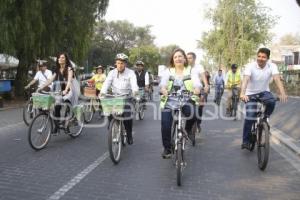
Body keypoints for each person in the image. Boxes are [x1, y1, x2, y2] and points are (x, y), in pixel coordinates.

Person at [240, 47, 287, 149]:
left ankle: (265, 118)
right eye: (259, 56)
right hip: (250, 94)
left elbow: (276, 79)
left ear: (267, 58)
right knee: (250, 116)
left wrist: (282, 93)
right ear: (257, 56)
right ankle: (246, 141)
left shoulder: (272, 66)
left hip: (264, 92)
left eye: (263, 57)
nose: (260, 58)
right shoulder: (250, 66)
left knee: (272, 102)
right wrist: (242, 93)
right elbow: (245, 80)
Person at [160, 48, 201, 159]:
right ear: (173, 60)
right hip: (170, 100)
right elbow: (163, 84)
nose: (178, 59)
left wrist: (197, 89)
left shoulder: (191, 71)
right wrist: (164, 90)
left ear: (184, 58)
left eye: (180, 56)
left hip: (186, 99)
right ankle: (167, 148)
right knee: (165, 124)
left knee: (193, 114)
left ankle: (187, 130)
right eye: (175, 57)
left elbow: (197, 83)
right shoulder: (168, 71)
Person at [100, 53, 138, 145]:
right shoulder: (111, 73)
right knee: (109, 113)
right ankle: (112, 126)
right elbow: (106, 84)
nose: (120, 65)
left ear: (125, 64)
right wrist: (102, 93)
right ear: (115, 63)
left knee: (127, 117)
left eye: (122, 63)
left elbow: (134, 85)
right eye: (118, 63)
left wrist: (135, 93)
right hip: (115, 96)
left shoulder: (131, 73)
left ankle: (129, 134)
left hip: (127, 96)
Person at [39, 52, 80, 133]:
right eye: (59, 58)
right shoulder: (57, 69)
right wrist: (41, 87)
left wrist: (66, 90)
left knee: (67, 102)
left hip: (72, 88)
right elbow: (50, 79)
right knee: (57, 106)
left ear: (66, 59)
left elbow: (69, 81)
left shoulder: (69, 68)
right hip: (63, 88)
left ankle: (70, 120)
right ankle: (57, 126)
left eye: (63, 58)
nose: (60, 59)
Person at [186, 52, 208, 131]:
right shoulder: (184, 67)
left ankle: (198, 123)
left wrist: (206, 85)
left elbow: (203, 76)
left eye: (190, 58)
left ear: (194, 59)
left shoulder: (199, 67)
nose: (188, 59)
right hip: (186, 90)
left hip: (197, 89)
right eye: (187, 58)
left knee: (201, 104)